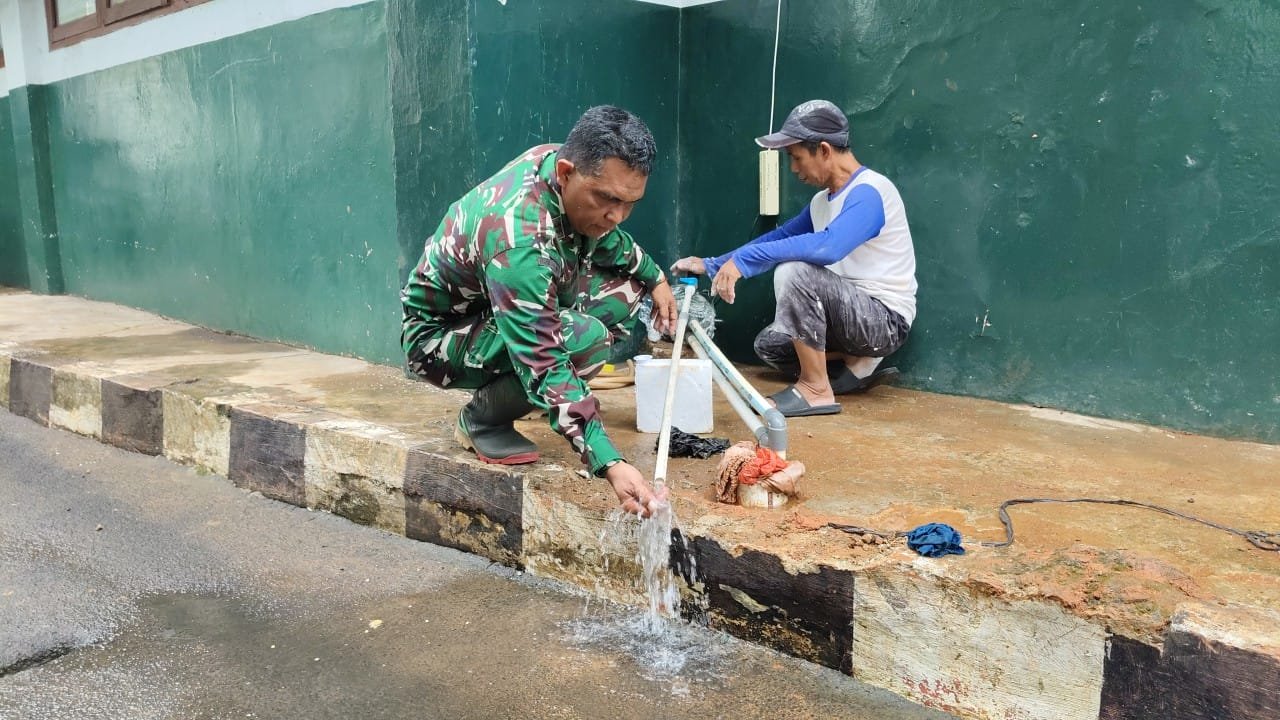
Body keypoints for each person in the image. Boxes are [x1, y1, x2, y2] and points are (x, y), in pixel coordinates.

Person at [401, 106, 677, 517]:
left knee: (626, 292)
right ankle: (482, 419)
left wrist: (656, 278)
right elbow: (544, 359)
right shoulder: (519, 239)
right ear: (566, 173)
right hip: (437, 339)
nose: (617, 216)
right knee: (584, 341)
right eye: (607, 199)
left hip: (495, 304)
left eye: (629, 203)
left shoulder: (562, 165)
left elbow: (604, 238)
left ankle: (524, 397)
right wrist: (609, 461)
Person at [672, 99, 917, 417]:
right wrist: (714, 264)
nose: (793, 168)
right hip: (844, 320)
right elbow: (780, 239)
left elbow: (829, 247)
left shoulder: (871, 191)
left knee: (794, 271)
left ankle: (816, 390)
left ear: (824, 150)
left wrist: (744, 263)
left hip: (882, 322)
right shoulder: (821, 202)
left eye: (796, 157)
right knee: (769, 345)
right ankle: (855, 366)